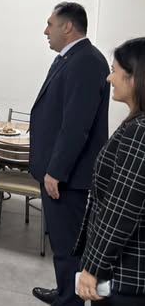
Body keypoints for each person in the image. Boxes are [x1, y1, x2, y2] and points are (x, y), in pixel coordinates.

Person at [29, 2, 110, 306]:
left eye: (50, 24)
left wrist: (56, 171)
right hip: (62, 172)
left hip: (68, 177)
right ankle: (65, 291)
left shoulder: (86, 61)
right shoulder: (71, 58)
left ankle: (69, 301)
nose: (45, 31)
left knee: (68, 246)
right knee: (64, 243)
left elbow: (76, 126)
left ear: (67, 26)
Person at [74, 37, 145, 305]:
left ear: (135, 78)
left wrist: (93, 268)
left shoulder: (139, 132)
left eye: (114, 71)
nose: (109, 78)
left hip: (125, 274)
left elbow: (121, 210)